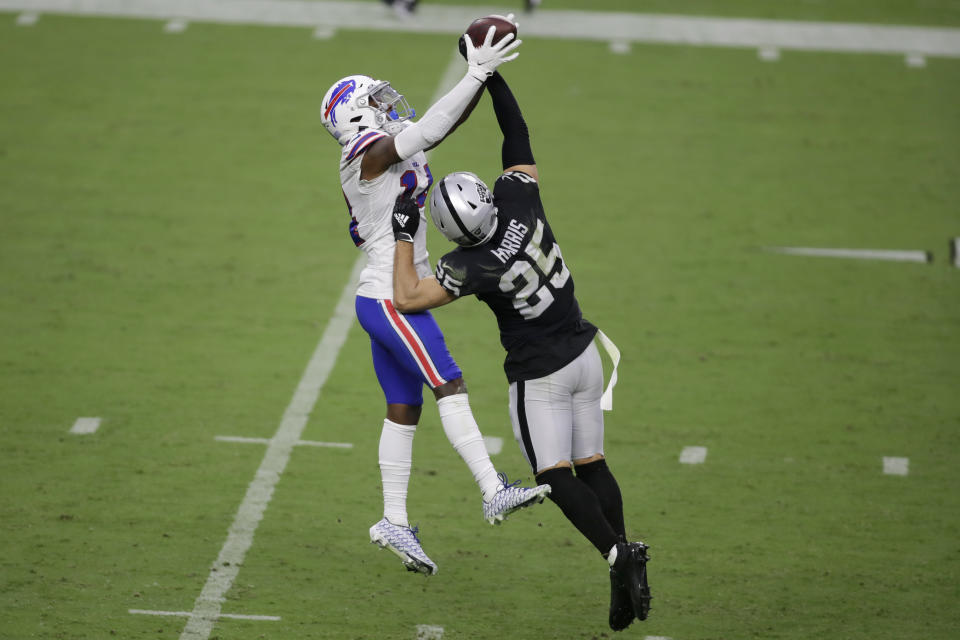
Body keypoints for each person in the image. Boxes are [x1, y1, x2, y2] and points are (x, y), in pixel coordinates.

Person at [390, 70, 652, 628]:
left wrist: (405, 234)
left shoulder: (468, 265)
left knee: (555, 477)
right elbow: (517, 137)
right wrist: (491, 78)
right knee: (594, 465)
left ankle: (617, 555)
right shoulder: (517, 199)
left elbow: (408, 298)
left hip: (542, 375)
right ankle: (622, 561)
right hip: (584, 352)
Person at [319, 22, 549, 577]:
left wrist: (482, 77)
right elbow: (426, 132)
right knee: (448, 380)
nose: (384, 102)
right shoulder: (364, 156)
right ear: (355, 115)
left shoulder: (384, 146)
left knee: (404, 409)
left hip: (385, 297)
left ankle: (392, 520)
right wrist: (474, 72)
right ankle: (491, 487)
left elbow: (438, 128)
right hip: (391, 299)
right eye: (373, 99)